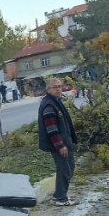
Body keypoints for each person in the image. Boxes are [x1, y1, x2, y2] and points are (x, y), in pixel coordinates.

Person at [38, 78, 79, 206]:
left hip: (65, 142)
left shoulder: (56, 102)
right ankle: (60, 198)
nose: (58, 89)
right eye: (54, 87)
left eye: (59, 86)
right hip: (59, 145)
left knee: (69, 167)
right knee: (64, 170)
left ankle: (61, 195)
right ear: (48, 90)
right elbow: (51, 129)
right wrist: (60, 145)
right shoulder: (49, 105)